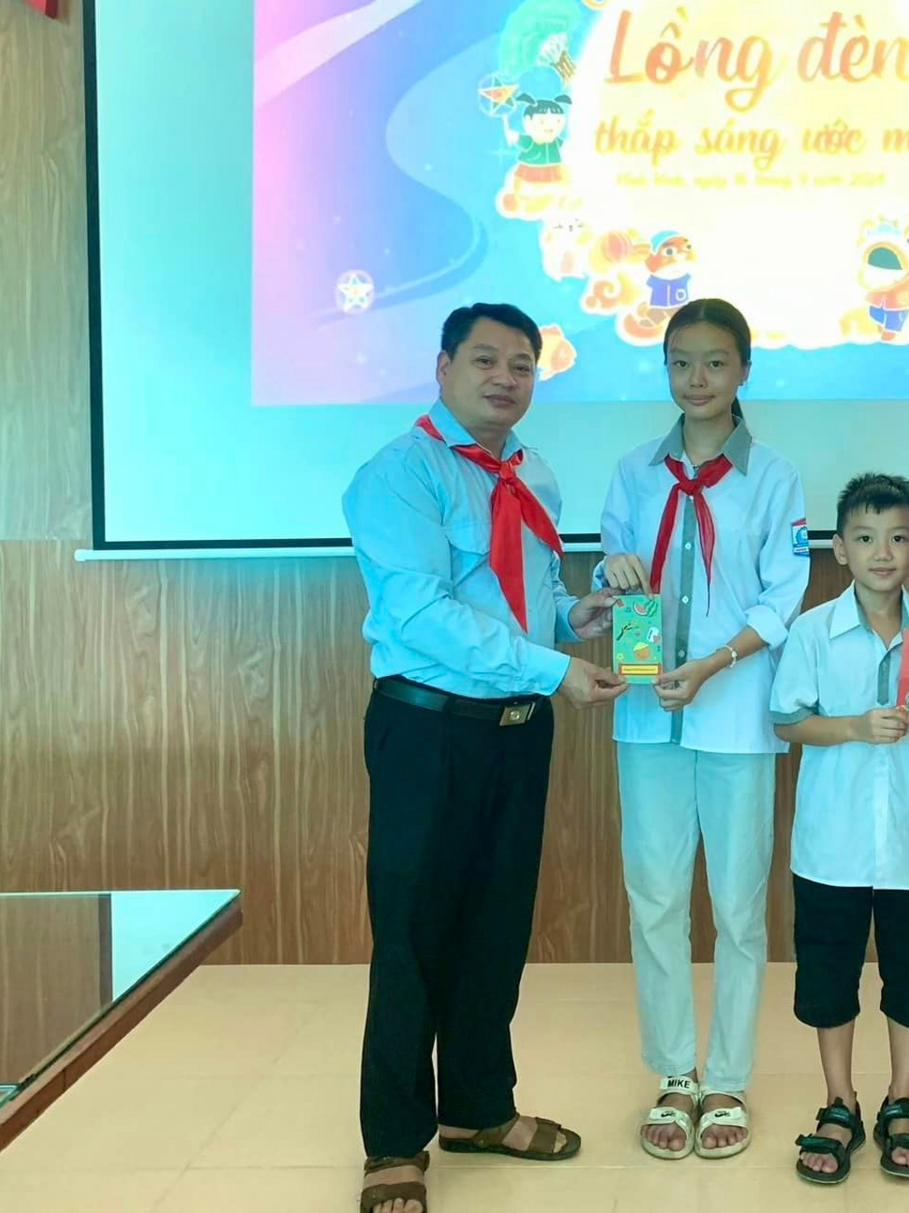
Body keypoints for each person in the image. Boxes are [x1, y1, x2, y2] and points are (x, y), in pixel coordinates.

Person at [341, 303, 627, 1213]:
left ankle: (477, 1109)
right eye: (486, 360)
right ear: (443, 367)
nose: (506, 378)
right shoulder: (401, 474)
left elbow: (526, 604)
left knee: (496, 928)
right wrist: (555, 668)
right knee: (413, 935)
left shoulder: (531, 472)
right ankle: (394, 1143)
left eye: (523, 364)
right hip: (429, 729)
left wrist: (576, 618)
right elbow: (423, 615)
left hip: (518, 727)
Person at [595, 298, 811, 1161]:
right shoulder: (633, 472)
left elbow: (785, 593)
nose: (697, 379)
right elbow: (620, 580)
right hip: (648, 713)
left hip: (735, 715)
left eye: (715, 362)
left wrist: (715, 662)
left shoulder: (775, 476)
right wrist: (613, 573)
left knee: (737, 905)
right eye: (681, 362)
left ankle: (727, 1078)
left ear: (744, 369)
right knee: (654, 898)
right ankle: (675, 1072)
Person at [770, 473, 909, 1185]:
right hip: (833, 843)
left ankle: (902, 1099)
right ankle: (838, 1101)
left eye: (898, 537)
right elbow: (786, 721)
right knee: (830, 974)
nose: (882, 552)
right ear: (840, 549)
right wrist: (853, 725)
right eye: (865, 537)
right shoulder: (812, 631)